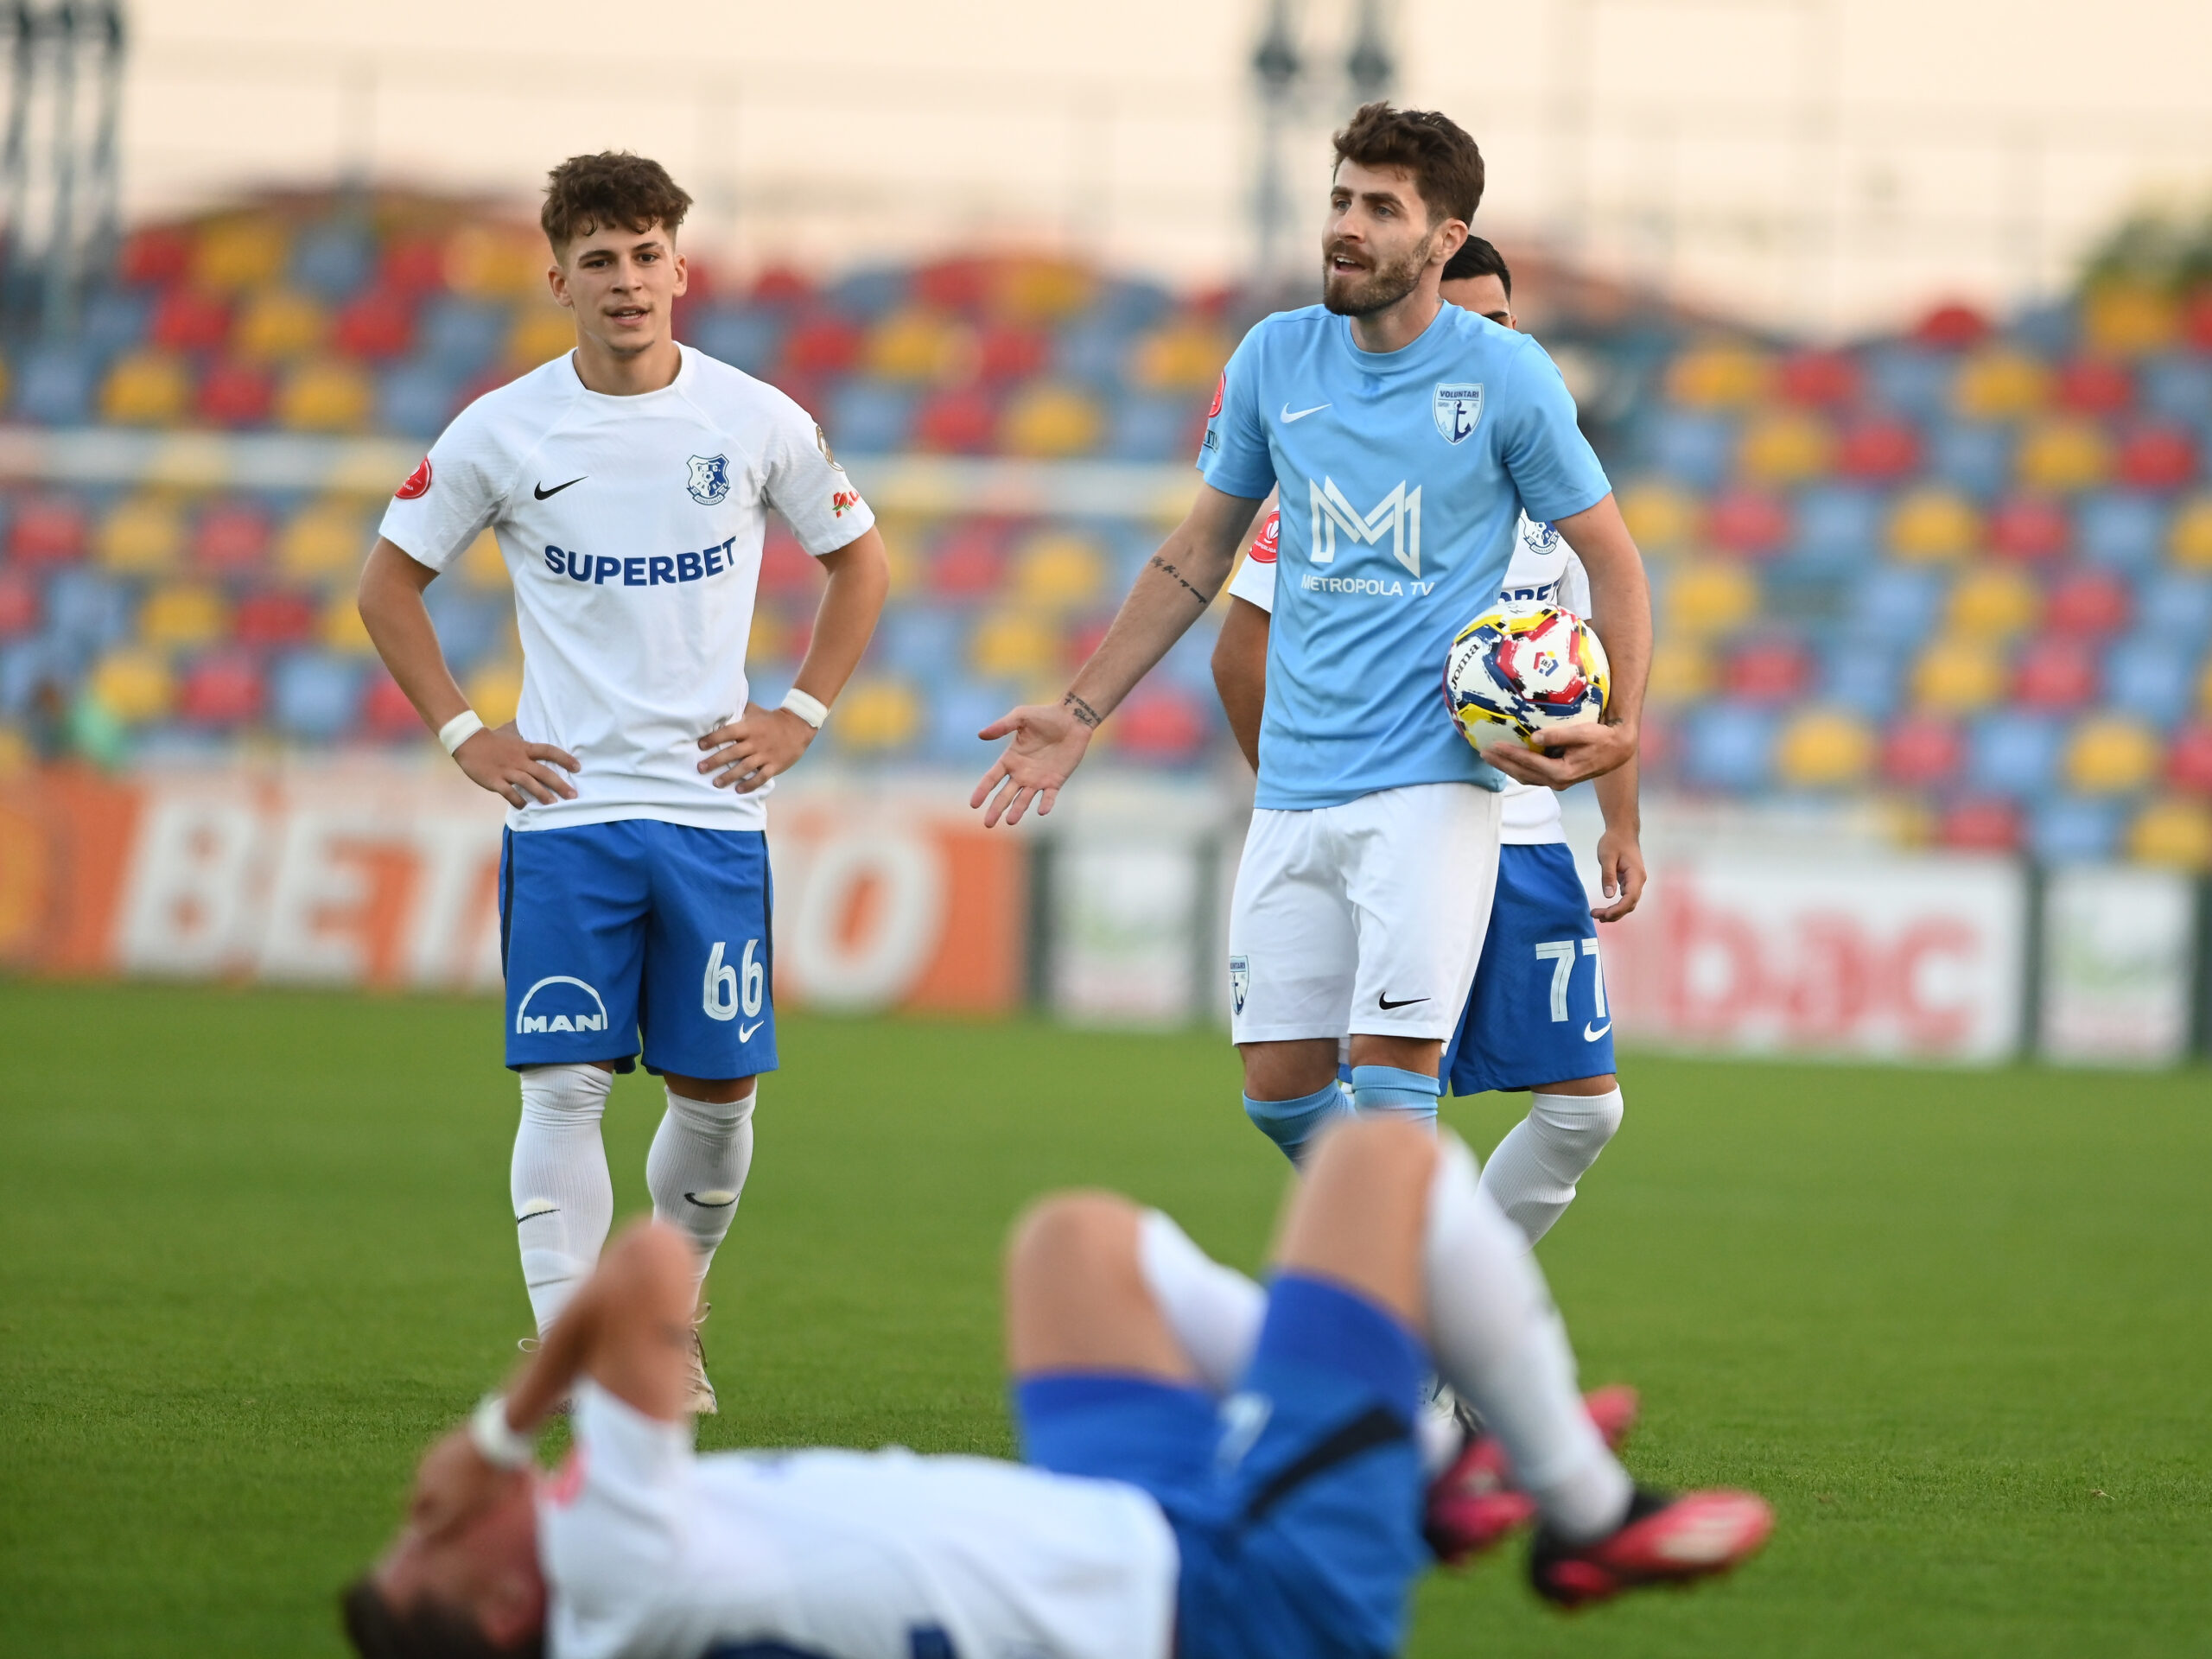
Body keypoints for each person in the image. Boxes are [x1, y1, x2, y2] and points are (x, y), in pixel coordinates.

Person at [342, 1116, 1771, 1659]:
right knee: (1383, 1163)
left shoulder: (606, 1593)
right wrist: (489, 1431)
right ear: (504, 1602)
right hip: (1235, 1601)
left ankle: (1408, 1460)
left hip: (1120, 1528)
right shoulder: (610, 1566)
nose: (429, 1507)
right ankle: (1584, 1515)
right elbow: (650, 1270)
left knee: (1072, 1246)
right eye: (429, 1539)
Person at [971, 103, 1650, 1177]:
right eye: (1340, 199)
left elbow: (1611, 560)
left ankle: (1396, 1336)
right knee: (1280, 1095)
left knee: (1390, 1098)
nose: (1348, 225)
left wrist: (1619, 731)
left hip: (1429, 792)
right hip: (1291, 790)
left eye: (1382, 208)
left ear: (1441, 238)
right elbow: (1199, 552)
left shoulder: (1508, 377)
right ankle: (1451, 1279)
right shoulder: (1273, 358)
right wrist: (1081, 707)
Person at [357, 151, 890, 1412]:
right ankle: (575, 1353)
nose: (627, 280)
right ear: (558, 279)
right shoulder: (502, 428)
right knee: (564, 1082)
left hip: (712, 814)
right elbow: (388, 583)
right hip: (570, 812)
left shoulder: (756, 419)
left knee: (718, 1100)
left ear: (681, 270)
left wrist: (800, 712)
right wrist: (463, 734)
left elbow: (861, 564)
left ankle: (667, 1319)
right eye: (599, 260)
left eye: (647, 255)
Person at [1211, 236, 1643, 1249]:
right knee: (1362, 1097)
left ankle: (1431, 1306)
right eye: (1467, 324)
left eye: (1503, 324)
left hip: (1527, 832)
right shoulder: (1333, 477)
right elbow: (1241, 652)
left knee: (1584, 1109)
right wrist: (1300, 787)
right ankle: (1424, 1321)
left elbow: (1604, 678)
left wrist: (1617, 823)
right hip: (1391, 805)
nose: (1490, 345)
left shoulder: (1555, 493)